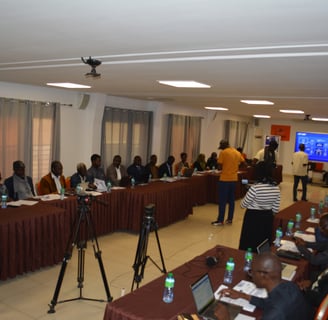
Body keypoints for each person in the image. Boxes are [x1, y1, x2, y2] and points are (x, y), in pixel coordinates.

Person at [217, 252, 311, 320]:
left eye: (252, 272)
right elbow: (270, 302)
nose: (251, 276)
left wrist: (226, 318)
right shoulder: (290, 286)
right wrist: (243, 295)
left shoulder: (274, 315)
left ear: (263, 275)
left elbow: (275, 308)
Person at [238, 161, 280, 251]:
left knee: (249, 242)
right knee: (263, 243)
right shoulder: (276, 188)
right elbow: (275, 209)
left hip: (252, 217)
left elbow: (243, 205)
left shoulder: (255, 188)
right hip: (267, 218)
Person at [212, 140, 245, 226]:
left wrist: (223, 167)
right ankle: (230, 219)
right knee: (231, 201)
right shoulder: (237, 152)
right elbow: (243, 163)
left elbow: (219, 166)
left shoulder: (223, 152)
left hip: (224, 179)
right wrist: (235, 168)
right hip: (234, 179)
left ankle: (220, 220)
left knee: (222, 201)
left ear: (223, 145)